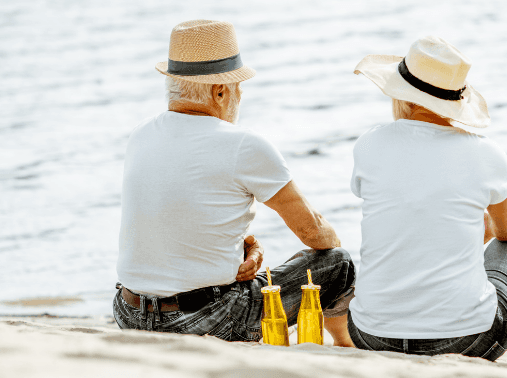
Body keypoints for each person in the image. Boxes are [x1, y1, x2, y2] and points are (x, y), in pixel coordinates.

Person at [114, 19, 355, 346]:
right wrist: (332, 246)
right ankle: (344, 343)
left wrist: (244, 251)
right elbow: (314, 233)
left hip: (129, 313)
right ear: (220, 90)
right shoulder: (243, 144)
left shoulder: (141, 135)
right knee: (337, 263)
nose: (240, 96)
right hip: (207, 319)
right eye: (238, 87)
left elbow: (178, 225)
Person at [347, 36, 507, 361]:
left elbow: (409, 213)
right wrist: (480, 229)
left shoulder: (369, 145)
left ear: (401, 96)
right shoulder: (484, 153)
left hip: (371, 335)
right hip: (467, 340)